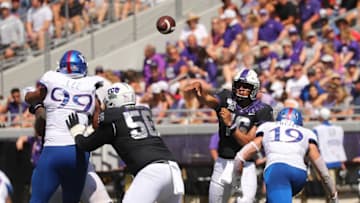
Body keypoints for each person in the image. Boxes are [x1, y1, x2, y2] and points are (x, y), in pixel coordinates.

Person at [65, 82, 184, 203]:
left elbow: (86, 145)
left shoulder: (113, 118)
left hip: (151, 172)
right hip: (173, 171)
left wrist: (77, 132)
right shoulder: (144, 113)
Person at [24, 50, 107, 202]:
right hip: (79, 152)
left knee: (37, 200)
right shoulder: (92, 88)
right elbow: (97, 124)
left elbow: (29, 98)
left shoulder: (51, 81)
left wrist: (34, 100)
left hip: (54, 150)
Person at [185, 68, 273, 203]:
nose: (242, 89)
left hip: (246, 165)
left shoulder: (263, 110)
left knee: (245, 201)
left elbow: (248, 142)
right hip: (223, 162)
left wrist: (231, 125)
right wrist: (199, 93)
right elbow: (210, 100)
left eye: (246, 86)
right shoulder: (226, 97)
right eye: (239, 85)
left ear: (254, 88)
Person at [233, 107, 339, 203]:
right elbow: (323, 172)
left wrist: (237, 183)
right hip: (300, 174)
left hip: (277, 170)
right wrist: (333, 196)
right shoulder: (307, 133)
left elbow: (240, 157)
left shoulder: (267, 127)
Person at [313, 108, 347, 186]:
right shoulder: (339, 129)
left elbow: (315, 146)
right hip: (337, 158)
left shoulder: (317, 129)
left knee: (330, 183)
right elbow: (340, 145)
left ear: (320, 117)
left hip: (326, 159)